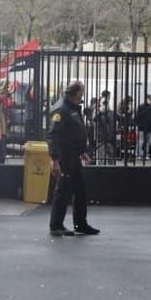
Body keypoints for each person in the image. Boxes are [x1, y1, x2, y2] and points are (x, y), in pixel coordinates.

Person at [45, 80, 98, 237]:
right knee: (62, 191)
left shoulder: (73, 108)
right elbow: (53, 135)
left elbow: (77, 131)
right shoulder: (62, 109)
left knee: (80, 191)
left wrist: (84, 151)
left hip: (74, 156)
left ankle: (81, 224)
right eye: (82, 91)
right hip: (64, 156)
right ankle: (56, 225)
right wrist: (55, 160)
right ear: (76, 93)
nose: (83, 95)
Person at [134, 95, 151, 161]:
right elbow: (137, 117)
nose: (150, 100)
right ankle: (138, 154)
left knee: (147, 142)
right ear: (146, 99)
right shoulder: (141, 107)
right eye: (150, 99)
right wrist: (138, 124)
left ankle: (145, 154)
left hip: (148, 127)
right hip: (142, 127)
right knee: (141, 142)